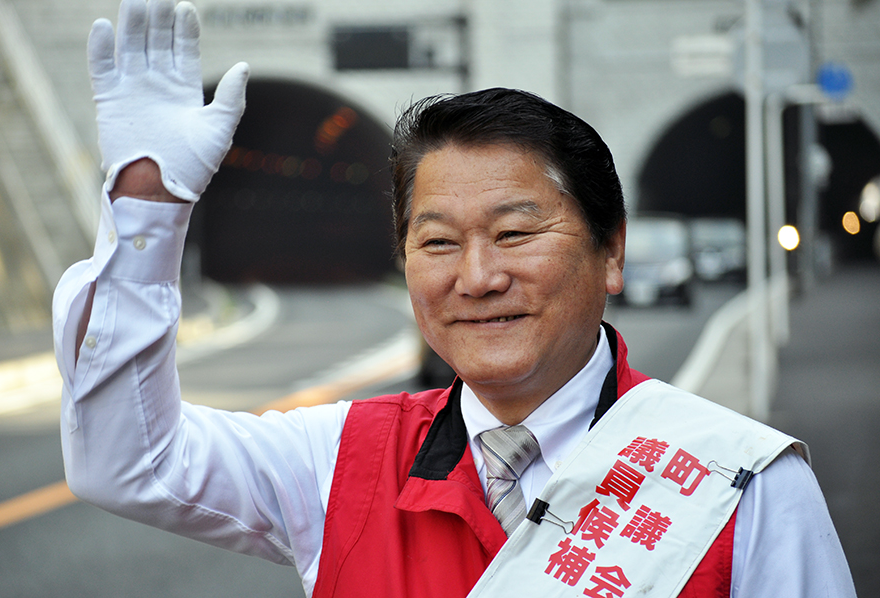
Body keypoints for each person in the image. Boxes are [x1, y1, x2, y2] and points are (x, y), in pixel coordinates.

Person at [55, 1, 856, 597]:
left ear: (611, 250)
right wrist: (147, 213)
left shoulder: (741, 484)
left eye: (515, 233)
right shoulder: (341, 462)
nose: (476, 277)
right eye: (437, 242)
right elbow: (129, 462)